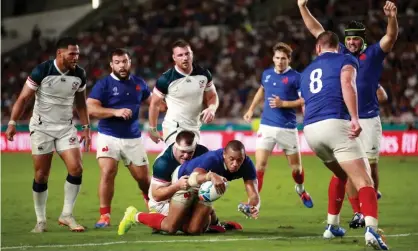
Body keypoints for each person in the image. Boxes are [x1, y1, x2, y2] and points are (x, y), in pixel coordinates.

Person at [297, 0, 398, 228]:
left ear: (362, 40)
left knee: (369, 167)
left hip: (368, 118)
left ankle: (369, 206)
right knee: (350, 167)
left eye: (356, 38)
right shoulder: (339, 53)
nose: (351, 42)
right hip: (342, 118)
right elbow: (317, 32)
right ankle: (358, 213)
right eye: (349, 38)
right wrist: (303, 8)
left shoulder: (372, 54)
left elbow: (390, 38)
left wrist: (391, 18)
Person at [5, 37, 90, 232]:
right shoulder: (42, 70)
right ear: (60, 54)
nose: (76, 57)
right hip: (42, 128)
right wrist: (12, 122)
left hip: (66, 127)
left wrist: (86, 127)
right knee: (41, 175)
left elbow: (81, 103)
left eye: (77, 53)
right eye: (72, 53)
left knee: (76, 168)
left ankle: (66, 215)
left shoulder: (80, 74)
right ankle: (41, 220)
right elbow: (24, 98)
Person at [118, 140, 259, 235]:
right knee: (171, 227)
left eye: (239, 160)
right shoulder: (212, 159)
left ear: (244, 157)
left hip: (206, 187)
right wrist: (210, 175)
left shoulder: (246, 164)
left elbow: (253, 193)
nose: (235, 164)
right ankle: (135, 216)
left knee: (195, 230)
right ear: (224, 155)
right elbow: (193, 179)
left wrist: (252, 206)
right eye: (231, 159)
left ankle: (214, 223)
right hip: (185, 182)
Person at [87, 48, 152, 228]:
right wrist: (115, 112)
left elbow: (155, 102)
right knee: (108, 171)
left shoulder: (139, 84)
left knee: (144, 180)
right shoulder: (103, 85)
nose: (121, 65)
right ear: (111, 65)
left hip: (133, 138)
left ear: (130, 62)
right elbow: (91, 108)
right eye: (117, 62)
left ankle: (149, 200)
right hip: (109, 135)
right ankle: (104, 216)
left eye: (124, 61)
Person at [243, 42, 313, 208]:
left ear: (289, 59)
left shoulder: (297, 77)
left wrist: (283, 104)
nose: (280, 61)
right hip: (266, 126)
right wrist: (251, 109)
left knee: (296, 169)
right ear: (273, 58)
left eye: (283, 58)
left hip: (288, 128)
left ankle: (301, 189)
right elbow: (262, 89)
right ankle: (254, 203)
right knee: (259, 166)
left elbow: (304, 100)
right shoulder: (267, 74)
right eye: (277, 58)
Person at [147, 130, 241, 233]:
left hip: (186, 196)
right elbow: (156, 196)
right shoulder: (163, 163)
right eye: (182, 151)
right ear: (176, 146)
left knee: (200, 215)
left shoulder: (202, 153)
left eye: (190, 152)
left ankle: (214, 223)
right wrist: (177, 186)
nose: (186, 156)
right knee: (179, 226)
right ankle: (142, 217)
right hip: (162, 203)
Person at [147, 39, 219, 146]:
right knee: (183, 154)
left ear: (192, 54)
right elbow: (154, 104)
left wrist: (212, 108)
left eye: (187, 54)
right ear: (174, 58)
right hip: (173, 127)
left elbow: (212, 96)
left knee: (189, 161)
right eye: (180, 55)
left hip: (194, 127)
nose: (185, 58)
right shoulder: (166, 79)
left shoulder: (204, 74)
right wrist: (152, 129)